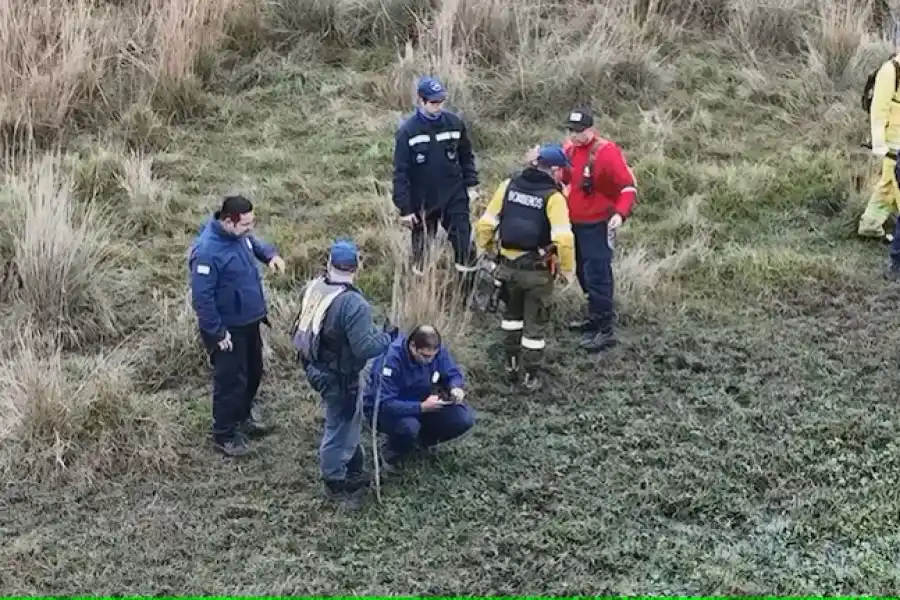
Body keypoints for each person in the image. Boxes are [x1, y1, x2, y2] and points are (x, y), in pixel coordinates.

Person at [292, 239, 396, 508]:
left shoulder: (315, 287)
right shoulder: (353, 304)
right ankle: (334, 484)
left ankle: (354, 470)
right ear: (357, 267)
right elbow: (365, 348)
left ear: (329, 264)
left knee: (348, 420)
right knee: (339, 426)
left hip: (315, 365)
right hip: (339, 375)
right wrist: (387, 338)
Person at [188, 194, 286, 457]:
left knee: (253, 372)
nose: (250, 228)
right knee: (230, 382)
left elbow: (253, 244)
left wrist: (270, 256)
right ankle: (224, 435)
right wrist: (217, 332)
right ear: (229, 222)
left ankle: (243, 417)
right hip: (228, 331)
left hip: (249, 321)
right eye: (245, 224)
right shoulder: (207, 252)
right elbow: (202, 298)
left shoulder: (239, 236)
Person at [473, 144, 576, 391]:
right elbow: (563, 238)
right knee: (534, 327)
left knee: (511, 319)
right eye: (561, 170)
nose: (562, 174)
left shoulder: (508, 185)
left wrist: (484, 248)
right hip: (537, 274)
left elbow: (486, 223)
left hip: (506, 269)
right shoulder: (554, 197)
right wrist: (567, 269)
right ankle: (530, 377)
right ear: (553, 170)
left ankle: (510, 367)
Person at [559, 107, 637, 352]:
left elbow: (627, 187)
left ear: (591, 129)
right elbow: (565, 179)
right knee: (583, 272)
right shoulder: (569, 150)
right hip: (575, 223)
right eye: (571, 130)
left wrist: (619, 214)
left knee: (598, 275)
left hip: (598, 224)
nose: (575, 135)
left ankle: (605, 329)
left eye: (580, 131)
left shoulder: (607, 152)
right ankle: (594, 319)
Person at [392, 76, 480, 284]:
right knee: (422, 249)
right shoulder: (407, 132)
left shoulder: (455, 124)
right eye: (433, 102)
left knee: (464, 244)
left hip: (454, 195)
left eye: (441, 101)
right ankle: (419, 290)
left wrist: (471, 186)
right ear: (421, 101)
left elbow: (466, 156)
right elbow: (400, 172)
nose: (438, 106)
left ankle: (467, 293)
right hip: (422, 199)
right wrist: (405, 209)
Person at [363, 325, 475, 473]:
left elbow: (451, 372)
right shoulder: (391, 359)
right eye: (425, 356)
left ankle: (421, 443)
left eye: (433, 356)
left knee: (464, 418)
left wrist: (455, 387)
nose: (430, 360)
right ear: (413, 346)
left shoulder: (436, 350)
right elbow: (384, 404)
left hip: (424, 402)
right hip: (390, 411)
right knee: (409, 427)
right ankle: (393, 450)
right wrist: (420, 407)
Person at [859, 25, 900, 246]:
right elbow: (879, 110)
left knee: (887, 186)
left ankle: (870, 226)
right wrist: (879, 144)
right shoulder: (890, 71)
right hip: (893, 143)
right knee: (893, 185)